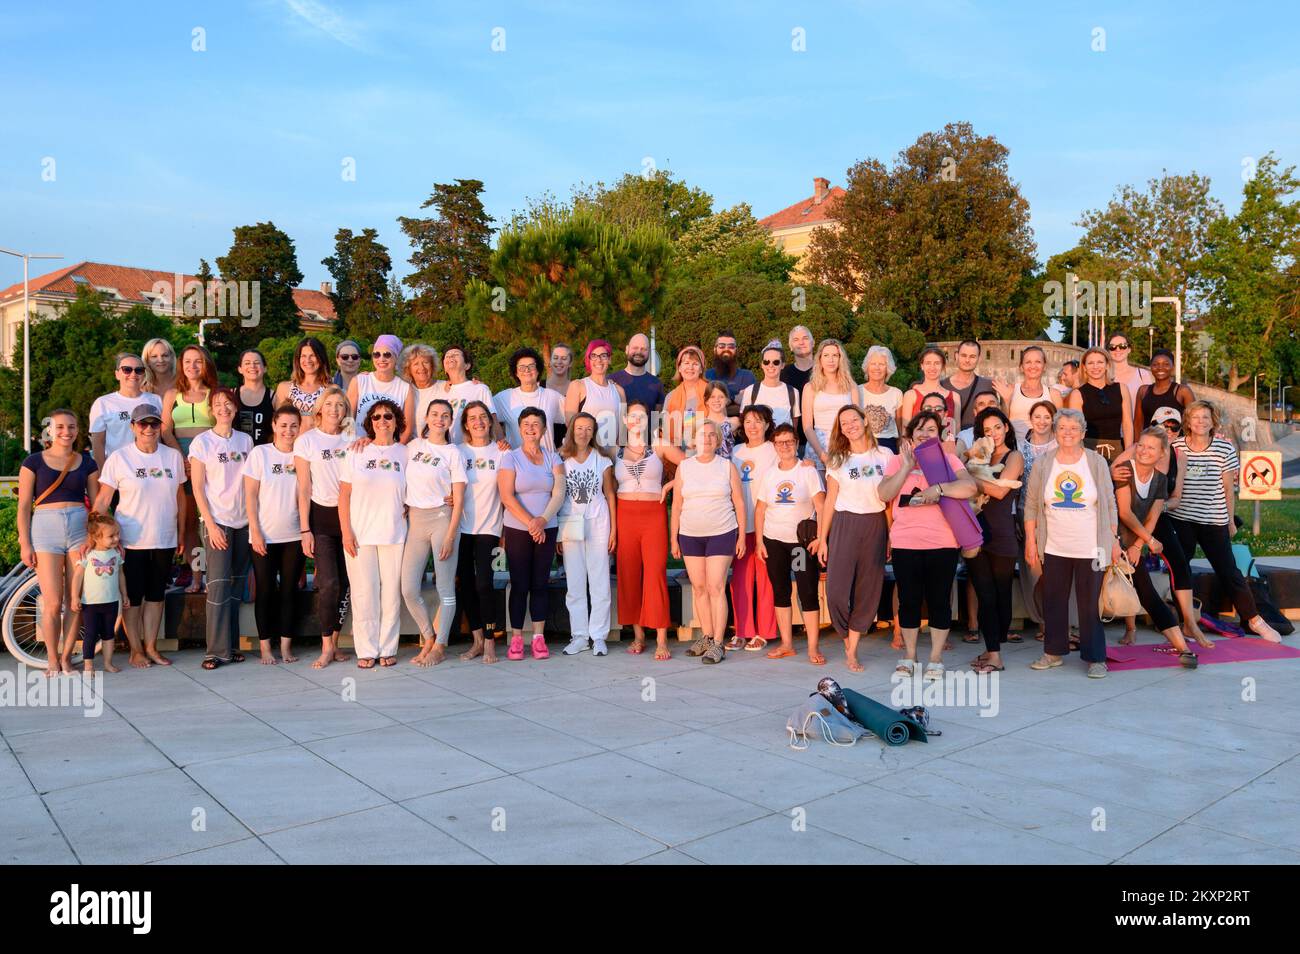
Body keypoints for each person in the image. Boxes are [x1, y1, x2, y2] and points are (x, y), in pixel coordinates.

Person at [1166, 401, 1281, 641]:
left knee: (1229, 570)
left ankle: (1255, 619)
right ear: (1187, 421)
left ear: (1213, 421)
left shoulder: (1223, 448)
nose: (1200, 422)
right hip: (1182, 518)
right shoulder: (1176, 446)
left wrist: (1229, 520)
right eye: (1195, 417)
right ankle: (1185, 622)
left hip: (1213, 518)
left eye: (1205, 418)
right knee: (1180, 569)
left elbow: (1229, 489)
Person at [1023, 407, 1122, 677]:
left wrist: (1113, 540)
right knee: (1054, 601)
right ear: (1055, 432)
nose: (1068, 433)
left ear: (1083, 432)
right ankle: (1053, 652)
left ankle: (1096, 657)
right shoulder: (1045, 463)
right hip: (1054, 545)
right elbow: (1031, 505)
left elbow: (1110, 503)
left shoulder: (1096, 462)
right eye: (1062, 428)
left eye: (1074, 428)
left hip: (1091, 545)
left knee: (1090, 605)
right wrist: (1031, 541)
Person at [884, 411, 978, 681]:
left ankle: (935, 658)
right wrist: (905, 466)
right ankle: (910, 656)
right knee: (909, 601)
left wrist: (938, 489)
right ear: (911, 433)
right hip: (905, 541)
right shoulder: (895, 461)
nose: (925, 434)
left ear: (940, 435)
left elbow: (969, 487)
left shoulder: (947, 460)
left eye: (932, 430)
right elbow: (883, 494)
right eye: (920, 429)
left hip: (942, 542)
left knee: (939, 600)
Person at [92, 403, 186, 669]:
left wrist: (181, 531)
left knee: (156, 597)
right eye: (142, 424)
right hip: (130, 542)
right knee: (132, 599)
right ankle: (135, 650)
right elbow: (103, 499)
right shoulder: (120, 458)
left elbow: (180, 496)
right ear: (133, 427)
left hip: (164, 538)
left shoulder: (172, 457)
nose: (148, 429)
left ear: (160, 427)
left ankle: (151, 647)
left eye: (154, 424)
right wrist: (93, 535)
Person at [17, 409, 100, 674]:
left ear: (78, 430)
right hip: (45, 528)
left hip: (78, 527)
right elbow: (23, 508)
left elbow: (97, 506)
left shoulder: (87, 462)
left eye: (72, 427)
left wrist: (93, 535)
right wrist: (25, 544)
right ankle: (52, 658)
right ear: (50, 430)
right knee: (52, 602)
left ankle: (66, 656)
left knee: (74, 599)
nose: (67, 432)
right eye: (61, 427)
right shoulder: (33, 462)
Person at [817, 405, 897, 671]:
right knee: (837, 591)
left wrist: (888, 535)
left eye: (854, 419)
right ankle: (845, 635)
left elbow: (888, 501)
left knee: (868, 588)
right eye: (843, 422)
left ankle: (852, 649)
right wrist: (823, 538)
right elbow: (830, 500)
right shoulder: (838, 459)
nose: (849, 424)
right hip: (845, 523)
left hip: (875, 524)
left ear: (865, 422)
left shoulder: (884, 455)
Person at [1115, 426, 1198, 664]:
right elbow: (1124, 513)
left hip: (1132, 540)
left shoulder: (1160, 480)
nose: (1143, 450)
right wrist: (1149, 541)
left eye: (1150, 447)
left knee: (1147, 592)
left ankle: (1183, 648)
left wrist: (1138, 544)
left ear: (1162, 453)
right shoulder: (1124, 472)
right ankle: (1090, 650)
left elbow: (1152, 517)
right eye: (1140, 445)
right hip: (1106, 537)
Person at [339, 398, 410, 668]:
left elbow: (419, 487)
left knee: (391, 593)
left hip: (394, 533)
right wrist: (346, 532)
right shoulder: (356, 451)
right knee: (363, 592)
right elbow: (343, 495)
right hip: (360, 533)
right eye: (377, 417)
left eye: (388, 417)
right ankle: (366, 649)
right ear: (370, 423)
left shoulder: (405, 453)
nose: (383, 421)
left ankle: (387, 648)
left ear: (396, 422)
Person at [671, 420, 747, 665]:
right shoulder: (684, 467)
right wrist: (674, 537)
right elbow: (677, 505)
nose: (707, 439)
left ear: (718, 440)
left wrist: (742, 535)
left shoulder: (727, 467)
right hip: (690, 534)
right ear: (694, 440)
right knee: (700, 588)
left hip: (721, 532)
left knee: (716, 587)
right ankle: (705, 635)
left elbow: (739, 502)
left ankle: (718, 642)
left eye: (712, 435)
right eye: (703, 435)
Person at [189, 388, 253, 670]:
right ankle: (214, 651)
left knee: (236, 585)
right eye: (218, 404)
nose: (223, 408)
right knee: (216, 585)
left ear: (235, 408)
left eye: (228, 403)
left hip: (243, 522)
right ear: (211, 410)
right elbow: (198, 488)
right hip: (218, 522)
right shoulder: (202, 443)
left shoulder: (246, 440)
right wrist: (211, 525)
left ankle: (232, 645)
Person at [614, 401, 685, 661]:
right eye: (632, 416)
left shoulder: (659, 445)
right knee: (629, 575)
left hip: (653, 515)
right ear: (624, 421)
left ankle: (662, 638)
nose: (636, 420)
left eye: (641, 416)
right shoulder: (615, 451)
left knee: (655, 573)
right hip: (624, 515)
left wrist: (669, 486)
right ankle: (638, 635)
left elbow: (691, 466)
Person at [402, 398, 467, 667]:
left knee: (444, 587)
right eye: (435, 414)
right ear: (426, 418)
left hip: (443, 519)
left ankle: (440, 645)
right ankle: (428, 636)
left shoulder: (454, 452)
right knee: (407, 588)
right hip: (416, 521)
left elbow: (460, 499)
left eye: (445, 415)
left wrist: (451, 535)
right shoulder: (413, 446)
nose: (439, 419)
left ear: (451, 421)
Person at [498, 408, 566, 661]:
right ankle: (516, 638)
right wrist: (531, 523)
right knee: (519, 584)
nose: (530, 428)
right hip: (518, 529)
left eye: (536, 424)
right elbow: (506, 495)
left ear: (544, 430)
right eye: (525, 424)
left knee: (539, 583)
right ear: (519, 428)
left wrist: (543, 520)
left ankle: (538, 637)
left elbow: (558, 493)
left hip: (547, 527)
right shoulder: (510, 458)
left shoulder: (553, 458)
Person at [295, 385, 355, 669]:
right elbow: (303, 487)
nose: (334, 409)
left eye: (340, 405)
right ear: (320, 409)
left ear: (346, 411)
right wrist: (304, 529)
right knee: (328, 583)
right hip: (321, 518)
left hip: (351, 519)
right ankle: (326, 645)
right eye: (329, 404)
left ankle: (336, 641)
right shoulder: (307, 441)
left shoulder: (354, 439)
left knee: (346, 585)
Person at [755, 423, 826, 663]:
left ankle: (813, 647)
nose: (784, 446)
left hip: (800, 543)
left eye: (789, 441)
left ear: (796, 444)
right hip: (774, 540)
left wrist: (820, 538)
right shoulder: (770, 473)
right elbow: (760, 508)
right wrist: (758, 542)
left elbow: (821, 506)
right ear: (774, 446)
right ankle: (787, 643)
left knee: (807, 592)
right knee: (780, 591)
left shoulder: (807, 471)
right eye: (780, 442)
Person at [964, 408, 1024, 674]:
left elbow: (1000, 491)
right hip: (975, 530)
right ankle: (994, 655)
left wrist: (969, 479)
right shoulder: (978, 457)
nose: (994, 434)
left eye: (997, 427)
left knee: (1001, 595)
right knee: (985, 594)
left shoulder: (1015, 456)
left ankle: (993, 648)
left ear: (1007, 428)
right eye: (987, 430)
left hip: (1002, 533)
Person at [244, 405, 306, 665]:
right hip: (264, 536)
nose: (288, 430)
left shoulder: (303, 456)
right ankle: (266, 647)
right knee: (266, 591)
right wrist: (255, 531)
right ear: (274, 426)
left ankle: (286, 646)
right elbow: (250, 495)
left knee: (290, 592)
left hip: (294, 535)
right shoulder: (260, 454)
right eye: (283, 425)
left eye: (294, 425)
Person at [558, 412, 617, 656]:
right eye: (579, 428)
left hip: (598, 522)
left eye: (589, 429)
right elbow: (557, 495)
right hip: (571, 522)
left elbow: (610, 494)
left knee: (599, 580)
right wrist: (559, 535)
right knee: (575, 582)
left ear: (594, 432)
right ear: (572, 430)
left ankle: (598, 636)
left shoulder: (601, 459)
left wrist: (614, 529)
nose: (584, 433)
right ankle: (579, 635)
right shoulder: (560, 458)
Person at [162, 344, 218, 592]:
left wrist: (200, 460)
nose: (192, 366)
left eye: (198, 361)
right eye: (187, 361)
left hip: (211, 461)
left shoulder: (215, 393)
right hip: (181, 460)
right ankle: (197, 577)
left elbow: (222, 428)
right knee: (188, 522)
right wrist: (181, 457)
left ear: (205, 364)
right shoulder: (172, 394)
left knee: (212, 519)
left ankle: (215, 576)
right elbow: (165, 429)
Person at [454, 401, 506, 664]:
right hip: (461, 528)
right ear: (465, 424)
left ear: (490, 421)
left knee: (484, 584)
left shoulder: (502, 452)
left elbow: (508, 493)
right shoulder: (457, 452)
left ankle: (489, 641)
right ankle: (475, 640)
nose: (478, 422)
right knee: (464, 584)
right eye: (472, 418)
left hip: (489, 527)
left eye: (483, 417)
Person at [728, 406, 778, 651]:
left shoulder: (773, 449)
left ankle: (764, 631)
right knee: (740, 581)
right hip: (740, 524)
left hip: (766, 526)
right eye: (748, 421)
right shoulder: (736, 452)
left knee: (765, 580)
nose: (753, 426)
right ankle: (742, 630)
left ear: (768, 425)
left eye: (758, 421)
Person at [1017, 400, 1060, 638]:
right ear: (1031, 419)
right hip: (1027, 514)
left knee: (1055, 571)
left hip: (1056, 516)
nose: (1042, 421)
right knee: (1034, 572)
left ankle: (1058, 620)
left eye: (1047, 417)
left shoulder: (1060, 445)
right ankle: (1042, 621)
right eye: (1038, 417)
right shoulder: (1021, 447)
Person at [69, 513, 127, 674]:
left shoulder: (116, 554)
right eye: (111, 536)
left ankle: (108, 663)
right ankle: (89, 665)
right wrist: (75, 596)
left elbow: (121, 575)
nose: (116, 539)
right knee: (90, 634)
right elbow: (78, 576)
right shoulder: (88, 555)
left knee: (109, 634)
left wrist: (125, 594)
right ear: (96, 537)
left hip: (112, 601)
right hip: (91, 604)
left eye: (117, 534)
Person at [89, 354, 163, 470]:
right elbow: (98, 443)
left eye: (138, 370)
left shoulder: (156, 400)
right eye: (127, 370)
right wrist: (103, 473)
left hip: (152, 468)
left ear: (144, 374)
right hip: (118, 469)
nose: (133, 374)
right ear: (117, 374)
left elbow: (161, 435)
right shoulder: (103, 403)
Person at [1067, 346, 1133, 460]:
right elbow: (1076, 430)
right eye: (1091, 363)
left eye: (1100, 362)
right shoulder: (1077, 394)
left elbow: (1127, 424)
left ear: (1107, 365)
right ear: (1084, 367)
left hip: (1117, 450)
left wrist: (1128, 455)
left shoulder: (1122, 389)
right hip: (1089, 452)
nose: (1095, 367)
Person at [802, 339, 860, 468]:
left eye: (835, 355)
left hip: (846, 443)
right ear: (820, 359)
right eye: (826, 355)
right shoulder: (810, 387)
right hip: (818, 446)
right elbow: (807, 426)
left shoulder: (852, 386)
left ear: (841, 359)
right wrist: (821, 454)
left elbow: (858, 421)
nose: (831, 360)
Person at [495, 347, 565, 449]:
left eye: (531, 366)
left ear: (538, 370)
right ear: (516, 372)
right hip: (516, 462)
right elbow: (483, 415)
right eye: (522, 367)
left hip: (548, 462)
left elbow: (575, 420)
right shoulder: (505, 398)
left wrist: (566, 445)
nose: (527, 370)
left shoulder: (552, 396)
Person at [349, 335, 415, 442]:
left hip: (390, 451)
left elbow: (407, 428)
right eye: (376, 354)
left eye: (387, 355)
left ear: (396, 358)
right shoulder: (359, 381)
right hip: (359, 448)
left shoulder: (405, 388)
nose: (381, 359)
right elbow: (348, 417)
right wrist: (350, 443)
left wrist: (394, 449)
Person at [564, 339, 626, 449]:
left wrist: (617, 454)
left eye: (603, 355)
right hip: (585, 452)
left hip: (611, 456)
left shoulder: (619, 391)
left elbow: (622, 430)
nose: (599, 360)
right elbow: (570, 423)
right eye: (594, 355)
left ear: (609, 359)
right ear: (589, 359)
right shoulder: (578, 386)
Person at [993, 344, 1059, 443]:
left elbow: (1059, 426)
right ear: (1021, 367)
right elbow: (1002, 424)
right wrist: (1006, 400)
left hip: (1045, 451)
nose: (1033, 366)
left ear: (1044, 366)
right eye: (1028, 362)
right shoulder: (1011, 389)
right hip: (1016, 449)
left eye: (1038, 362)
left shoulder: (1054, 394)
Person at [433, 344, 493, 444]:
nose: (451, 357)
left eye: (456, 354)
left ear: (467, 365)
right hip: (446, 450)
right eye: (447, 356)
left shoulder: (479, 389)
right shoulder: (439, 392)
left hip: (471, 450)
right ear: (444, 368)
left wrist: (501, 443)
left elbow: (492, 420)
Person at [899, 346, 961, 432]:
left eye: (937, 363)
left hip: (946, 444)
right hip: (918, 444)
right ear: (922, 366)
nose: (932, 367)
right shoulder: (910, 395)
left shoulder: (954, 397)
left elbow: (956, 431)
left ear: (943, 366)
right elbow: (905, 430)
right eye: (928, 363)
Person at [273, 338, 332, 427]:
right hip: (292, 440)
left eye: (313, 355)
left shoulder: (331, 389)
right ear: (298, 360)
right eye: (303, 356)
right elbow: (278, 424)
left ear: (321, 358)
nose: (308, 360)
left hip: (319, 440)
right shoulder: (284, 388)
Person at [739, 345, 801, 429]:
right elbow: (744, 421)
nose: (770, 365)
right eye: (766, 362)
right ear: (762, 365)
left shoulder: (793, 392)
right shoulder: (750, 391)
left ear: (782, 365)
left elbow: (794, 425)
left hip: (782, 441)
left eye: (776, 362)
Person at [942, 340, 997, 432]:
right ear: (956, 356)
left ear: (979, 359)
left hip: (979, 439)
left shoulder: (988, 385)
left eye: (972, 356)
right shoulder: (942, 385)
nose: (967, 360)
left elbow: (998, 416)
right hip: (949, 440)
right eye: (963, 355)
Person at [1134, 349, 1194, 432]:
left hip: (1175, 443)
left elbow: (1193, 421)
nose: (1160, 368)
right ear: (1151, 367)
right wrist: (1138, 444)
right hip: (1149, 443)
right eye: (1155, 364)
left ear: (1173, 367)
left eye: (1166, 364)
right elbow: (1138, 424)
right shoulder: (1143, 391)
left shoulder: (1182, 391)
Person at [663, 345, 709, 450]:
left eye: (695, 364)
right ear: (679, 368)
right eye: (686, 363)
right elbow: (665, 431)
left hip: (707, 447)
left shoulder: (711, 392)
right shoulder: (670, 396)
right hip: (679, 451)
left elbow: (720, 422)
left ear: (701, 369)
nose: (690, 367)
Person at [860, 346, 903, 452]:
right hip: (863, 444)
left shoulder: (896, 393)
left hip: (889, 446)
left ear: (888, 368)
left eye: (882, 364)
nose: (877, 368)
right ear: (867, 367)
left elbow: (900, 429)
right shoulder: (857, 391)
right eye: (873, 364)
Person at [611, 332, 665, 413]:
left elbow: (656, 421)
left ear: (649, 352)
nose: (639, 352)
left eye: (644, 349)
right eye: (635, 348)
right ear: (627, 349)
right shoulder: (611, 381)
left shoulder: (656, 384)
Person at [704, 330, 757, 408]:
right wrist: (734, 398)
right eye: (721, 346)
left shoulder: (747, 376)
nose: (726, 349)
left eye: (731, 346)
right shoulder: (706, 376)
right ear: (715, 350)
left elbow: (754, 406)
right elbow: (696, 407)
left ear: (736, 350)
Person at [234, 349, 275, 446]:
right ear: (240, 369)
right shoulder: (231, 395)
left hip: (264, 454)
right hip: (236, 454)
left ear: (265, 368)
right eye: (247, 363)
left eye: (257, 363)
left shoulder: (274, 397)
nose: (252, 366)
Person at [399, 343, 441, 429]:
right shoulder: (403, 390)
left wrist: (475, 383)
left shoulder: (446, 387)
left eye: (426, 362)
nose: (421, 367)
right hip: (409, 442)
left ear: (432, 366)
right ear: (408, 369)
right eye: (416, 364)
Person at [1107, 332, 1154, 408]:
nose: (1118, 349)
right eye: (1112, 347)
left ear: (1129, 349)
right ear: (1108, 351)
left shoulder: (1142, 375)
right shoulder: (1103, 375)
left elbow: (1150, 404)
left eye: (1123, 346)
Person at [955, 391, 1003, 456]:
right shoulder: (964, 436)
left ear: (999, 408)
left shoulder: (1008, 432)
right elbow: (957, 463)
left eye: (991, 403)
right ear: (975, 411)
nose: (987, 407)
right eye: (981, 404)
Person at [701, 381, 739, 458]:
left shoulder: (734, 421)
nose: (717, 400)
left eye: (721, 397)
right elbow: (690, 448)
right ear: (706, 400)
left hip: (729, 466)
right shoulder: (700, 423)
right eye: (712, 397)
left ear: (727, 399)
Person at [781, 325, 816, 394]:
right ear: (790, 346)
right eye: (796, 340)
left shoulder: (824, 370)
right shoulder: (782, 374)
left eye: (805, 338)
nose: (801, 343)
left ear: (813, 343)